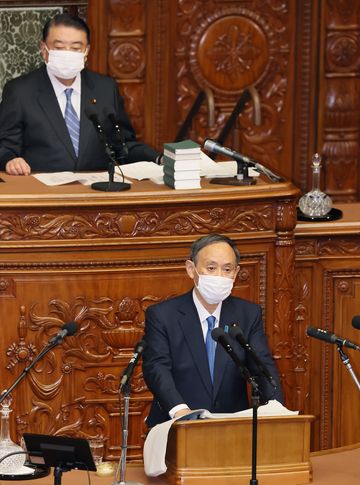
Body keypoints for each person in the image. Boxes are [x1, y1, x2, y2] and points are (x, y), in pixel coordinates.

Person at [142, 233, 284, 427]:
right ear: (191, 269)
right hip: (175, 426)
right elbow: (156, 368)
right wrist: (180, 411)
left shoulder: (248, 314)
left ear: (236, 273)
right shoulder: (163, 315)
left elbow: (262, 368)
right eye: (211, 268)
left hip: (231, 429)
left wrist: (278, 413)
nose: (220, 276)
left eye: (227, 269)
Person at [0, 13, 160, 175]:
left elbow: (123, 145)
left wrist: (159, 159)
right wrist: (10, 160)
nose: (67, 53)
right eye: (60, 47)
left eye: (76, 48)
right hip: (42, 192)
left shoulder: (105, 88)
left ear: (86, 51)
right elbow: (5, 147)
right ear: (43, 49)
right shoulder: (20, 91)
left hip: (97, 191)